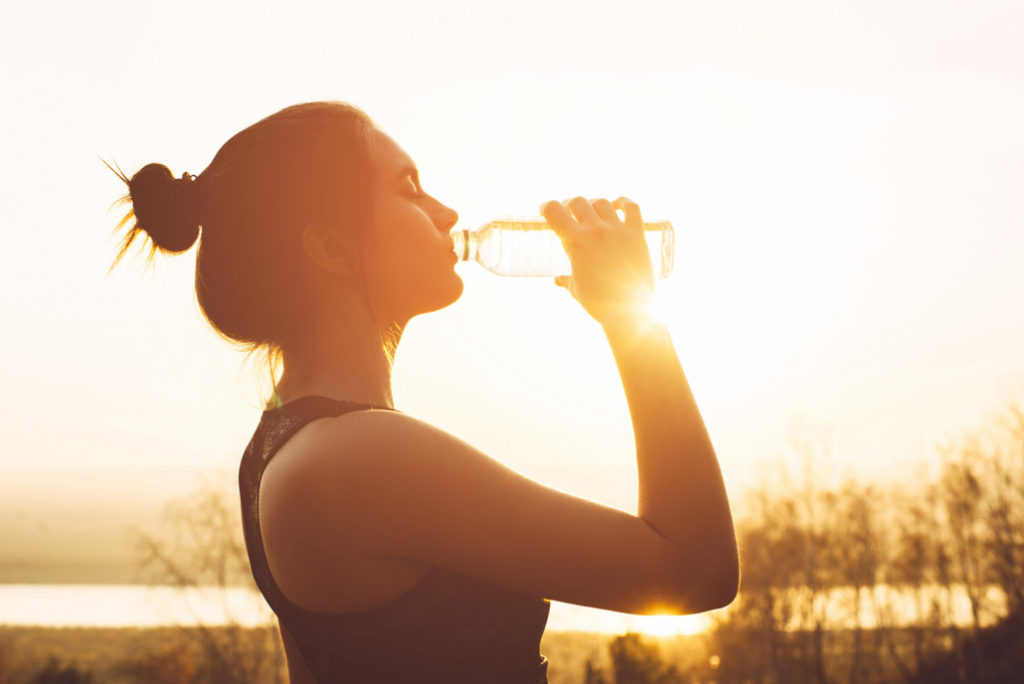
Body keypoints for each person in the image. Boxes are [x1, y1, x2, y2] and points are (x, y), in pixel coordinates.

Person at [110, 101, 738, 683]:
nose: (446, 213)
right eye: (408, 188)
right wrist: (633, 321)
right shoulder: (357, 458)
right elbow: (694, 569)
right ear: (330, 245)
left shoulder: (277, 451)